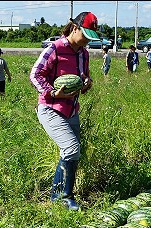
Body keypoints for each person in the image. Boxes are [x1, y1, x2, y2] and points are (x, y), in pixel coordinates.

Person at [29, 11, 98, 211]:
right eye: (85, 35)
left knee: (71, 152)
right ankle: (61, 197)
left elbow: (83, 77)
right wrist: (53, 92)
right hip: (50, 108)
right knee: (71, 148)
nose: (87, 41)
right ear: (74, 28)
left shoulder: (83, 53)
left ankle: (62, 195)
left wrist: (86, 84)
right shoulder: (55, 49)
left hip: (72, 110)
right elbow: (35, 75)